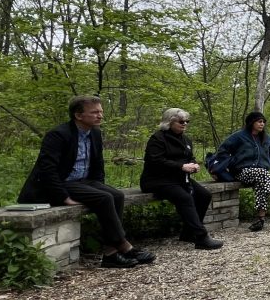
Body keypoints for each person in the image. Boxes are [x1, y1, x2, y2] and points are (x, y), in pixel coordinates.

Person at [18, 95, 156, 269]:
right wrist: (63, 198)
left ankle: (110, 252)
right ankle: (123, 246)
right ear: (78, 115)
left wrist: (100, 184)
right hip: (60, 184)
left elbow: (97, 164)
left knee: (116, 195)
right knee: (104, 198)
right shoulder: (58, 135)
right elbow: (48, 170)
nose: (100, 116)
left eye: (101, 112)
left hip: (83, 181)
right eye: (95, 112)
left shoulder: (95, 133)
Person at [140, 108, 223, 250]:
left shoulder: (185, 139)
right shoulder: (158, 138)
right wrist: (181, 166)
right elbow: (155, 161)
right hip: (157, 180)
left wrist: (194, 164)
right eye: (181, 121)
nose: (184, 124)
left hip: (179, 178)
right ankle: (201, 237)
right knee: (185, 198)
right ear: (169, 121)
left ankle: (188, 233)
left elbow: (189, 157)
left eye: (186, 121)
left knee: (204, 195)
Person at [216, 111, 270, 232]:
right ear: (251, 122)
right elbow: (222, 150)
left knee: (261, 185)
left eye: (263, 122)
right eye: (259, 121)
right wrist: (231, 163)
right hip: (242, 172)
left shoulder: (267, 138)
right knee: (262, 174)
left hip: (262, 174)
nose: (262, 124)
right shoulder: (239, 136)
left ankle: (261, 219)